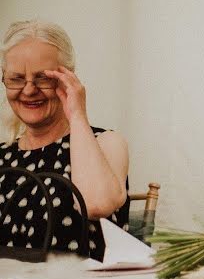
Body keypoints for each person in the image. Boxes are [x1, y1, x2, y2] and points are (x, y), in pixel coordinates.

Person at [0, 20, 129, 260]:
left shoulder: (106, 142)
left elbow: (96, 204)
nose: (28, 90)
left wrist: (77, 114)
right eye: (16, 78)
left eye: (43, 78)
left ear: (68, 79)